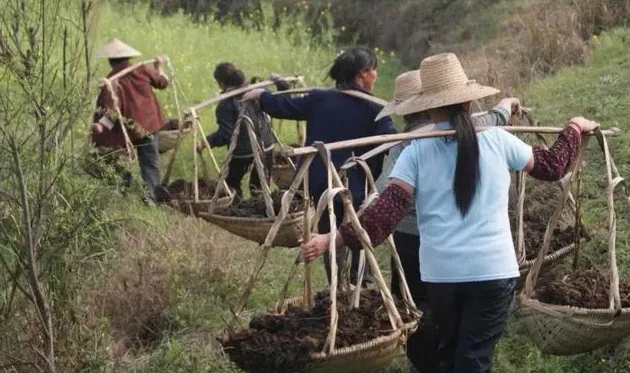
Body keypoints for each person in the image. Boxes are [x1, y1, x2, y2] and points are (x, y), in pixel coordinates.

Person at [301, 52, 599, 373]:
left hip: (441, 277)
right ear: (470, 102)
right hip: (493, 273)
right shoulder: (499, 140)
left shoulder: (415, 152)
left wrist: (333, 237)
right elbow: (553, 166)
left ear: (428, 107)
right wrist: (573, 127)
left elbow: (383, 216)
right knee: (471, 359)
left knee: (454, 353)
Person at [375, 69, 520, 373]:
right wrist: (506, 105)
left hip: (418, 241)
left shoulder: (406, 145)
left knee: (416, 303)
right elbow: (495, 121)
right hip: (451, 249)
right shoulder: (475, 132)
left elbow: (383, 198)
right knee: (460, 334)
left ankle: (427, 359)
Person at [242, 47, 398, 287]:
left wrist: (263, 96)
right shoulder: (374, 107)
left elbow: (285, 107)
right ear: (363, 74)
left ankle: (338, 283)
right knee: (357, 230)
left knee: (329, 230)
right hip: (354, 184)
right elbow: (391, 140)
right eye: (374, 70)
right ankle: (359, 282)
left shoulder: (320, 98)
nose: (375, 75)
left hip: (322, 184)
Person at [91, 38, 168, 205]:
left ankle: (131, 190)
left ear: (110, 61)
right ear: (128, 58)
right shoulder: (142, 69)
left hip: (129, 130)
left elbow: (111, 113)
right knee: (150, 162)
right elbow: (162, 83)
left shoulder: (111, 80)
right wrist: (159, 68)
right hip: (149, 124)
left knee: (121, 160)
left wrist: (100, 125)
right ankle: (151, 199)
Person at [199, 63, 284, 198]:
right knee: (260, 186)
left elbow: (226, 134)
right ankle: (262, 210)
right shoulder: (259, 90)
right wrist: (281, 84)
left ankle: (238, 209)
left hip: (243, 151)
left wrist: (206, 141)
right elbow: (280, 99)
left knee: (230, 183)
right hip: (267, 145)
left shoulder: (226, 104)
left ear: (221, 83)